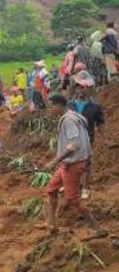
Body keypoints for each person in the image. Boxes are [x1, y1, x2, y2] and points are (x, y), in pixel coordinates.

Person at [42, 95, 107, 239]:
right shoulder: (73, 116)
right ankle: (51, 224)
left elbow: (74, 144)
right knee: (51, 189)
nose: (50, 109)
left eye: (52, 106)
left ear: (59, 105)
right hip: (69, 163)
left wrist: (54, 161)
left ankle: (98, 229)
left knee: (73, 199)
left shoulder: (69, 120)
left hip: (73, 164)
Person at [72, 83, 105, 199]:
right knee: (71, 162)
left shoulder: (95, 106)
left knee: (85, 163)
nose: (80, 90)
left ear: (88, 89)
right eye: (77, 87)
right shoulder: (70, 105)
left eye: (83, 87)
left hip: (87, 138)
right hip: (71, 139)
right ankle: (73, 185)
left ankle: (85, 188)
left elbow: (100, 123)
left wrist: (103, 139)